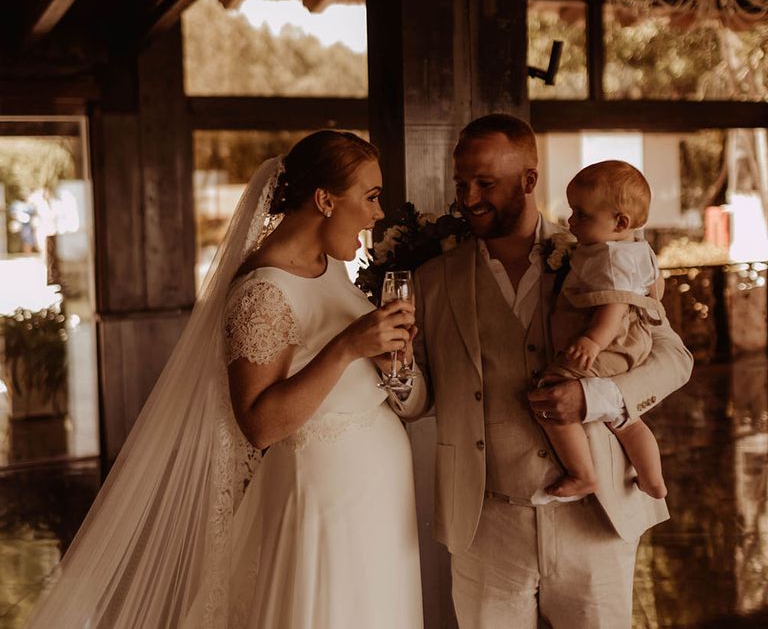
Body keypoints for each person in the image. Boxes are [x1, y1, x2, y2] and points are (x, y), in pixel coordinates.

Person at [25, 131, 423, 629]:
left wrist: (391, 365)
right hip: (325, 508)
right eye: (370, 197)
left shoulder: (331, 269)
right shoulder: (263, 292)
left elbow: (398, 394)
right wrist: (345, 348)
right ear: (324, 200)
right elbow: (259, 425)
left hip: (378, 504)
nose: (377, 213)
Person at [397, 114, 693, 628]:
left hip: (596, 523)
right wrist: (395, 371)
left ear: (529, 181)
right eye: (461, 183)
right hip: (486, 523)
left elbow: (674, 359)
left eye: (486, 183)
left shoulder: (604, 253)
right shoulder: (432, 280)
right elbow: (421, 398)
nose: (468, 198)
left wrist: (597, 398)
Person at [538, 160, 668, 501]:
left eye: (581, 214)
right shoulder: (638, 247)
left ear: (620, 222)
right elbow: (655, 289)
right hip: (634, 337)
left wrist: (592, 340)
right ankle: (653, 480)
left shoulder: (610, 257)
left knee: (550, 393)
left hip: (609, 339)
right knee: (626, 419)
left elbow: (615, 304)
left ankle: (582, 474)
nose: (570, 222)